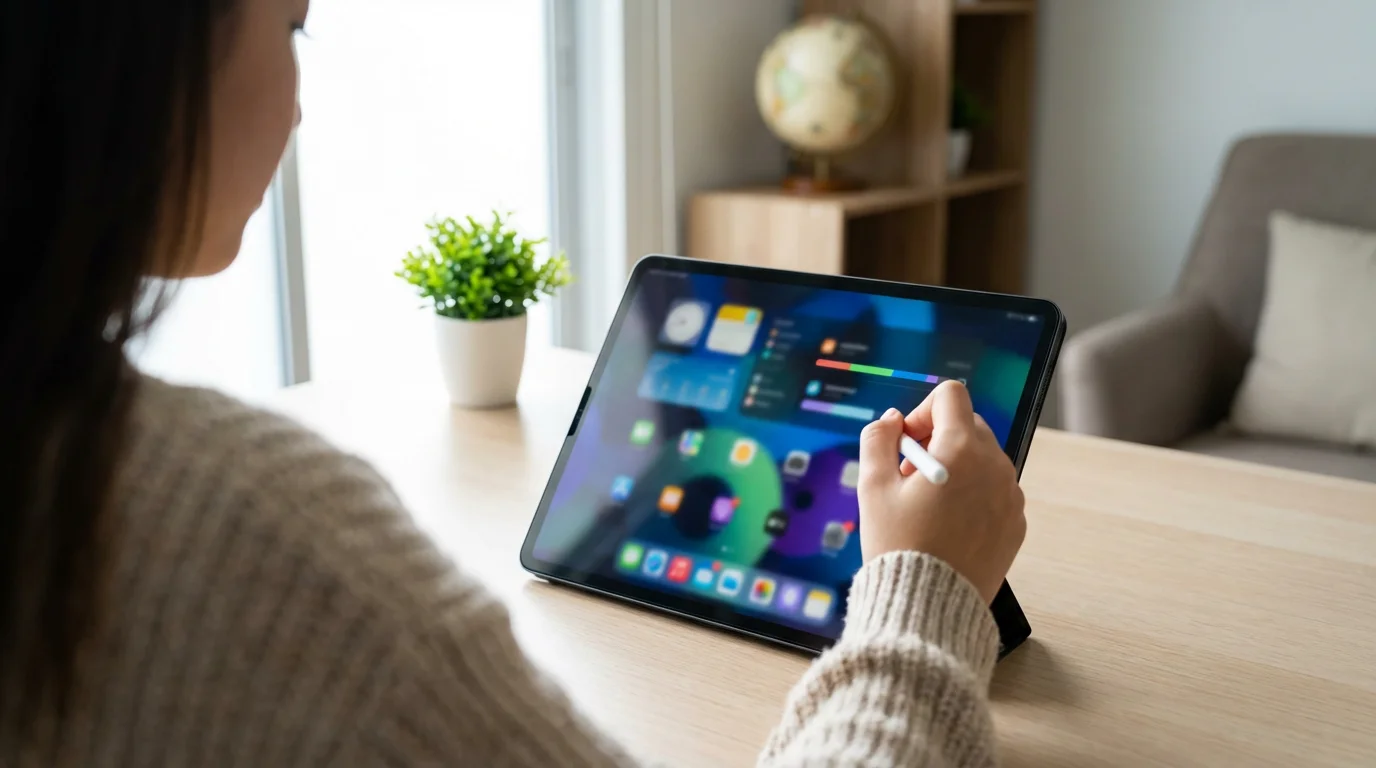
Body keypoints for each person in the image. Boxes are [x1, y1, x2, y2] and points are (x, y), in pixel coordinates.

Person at [0, 0, 1027, 764]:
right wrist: (920, 597)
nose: (300, 103)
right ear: (131, 53)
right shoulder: (240, 527)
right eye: (293, 25)